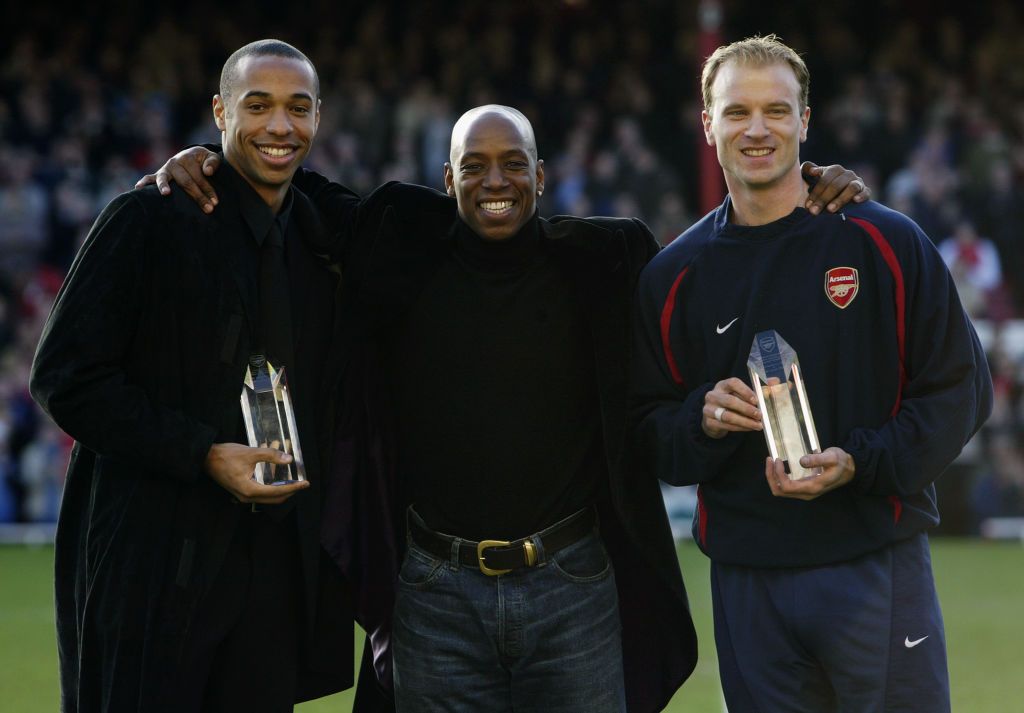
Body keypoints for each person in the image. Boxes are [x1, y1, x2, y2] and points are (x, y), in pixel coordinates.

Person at [142, 105, 869, 712]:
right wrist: (210, 158)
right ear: (448, 179)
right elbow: (293, 191)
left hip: (574, 585)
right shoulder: (401, 260)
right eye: (476, 165)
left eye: (514, 163)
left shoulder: (604, 263)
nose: (496, 180)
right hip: (434, 592)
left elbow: (719, 250)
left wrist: (799, 182)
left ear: (541, 175)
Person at [631, 35, 993, 713]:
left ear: (805, 120)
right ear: (706, 123)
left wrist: (858, 462)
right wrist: (701, 418)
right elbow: (649, 431)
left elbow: (962, 392)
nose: (758, 128)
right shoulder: (672, 277)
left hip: (873, 560)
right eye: (737, 111)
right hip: (747, 581)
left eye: (776, 110)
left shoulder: (885, 241)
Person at [30, 40, 354, 713]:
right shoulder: (147, 218)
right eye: (256, 105)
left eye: (297, 108)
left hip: (273, 579)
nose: (279, 126)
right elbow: (65, 377)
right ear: (219, 111)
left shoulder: (320, 240)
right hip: (154, 571)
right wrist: (202, 452)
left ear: (318, 117)